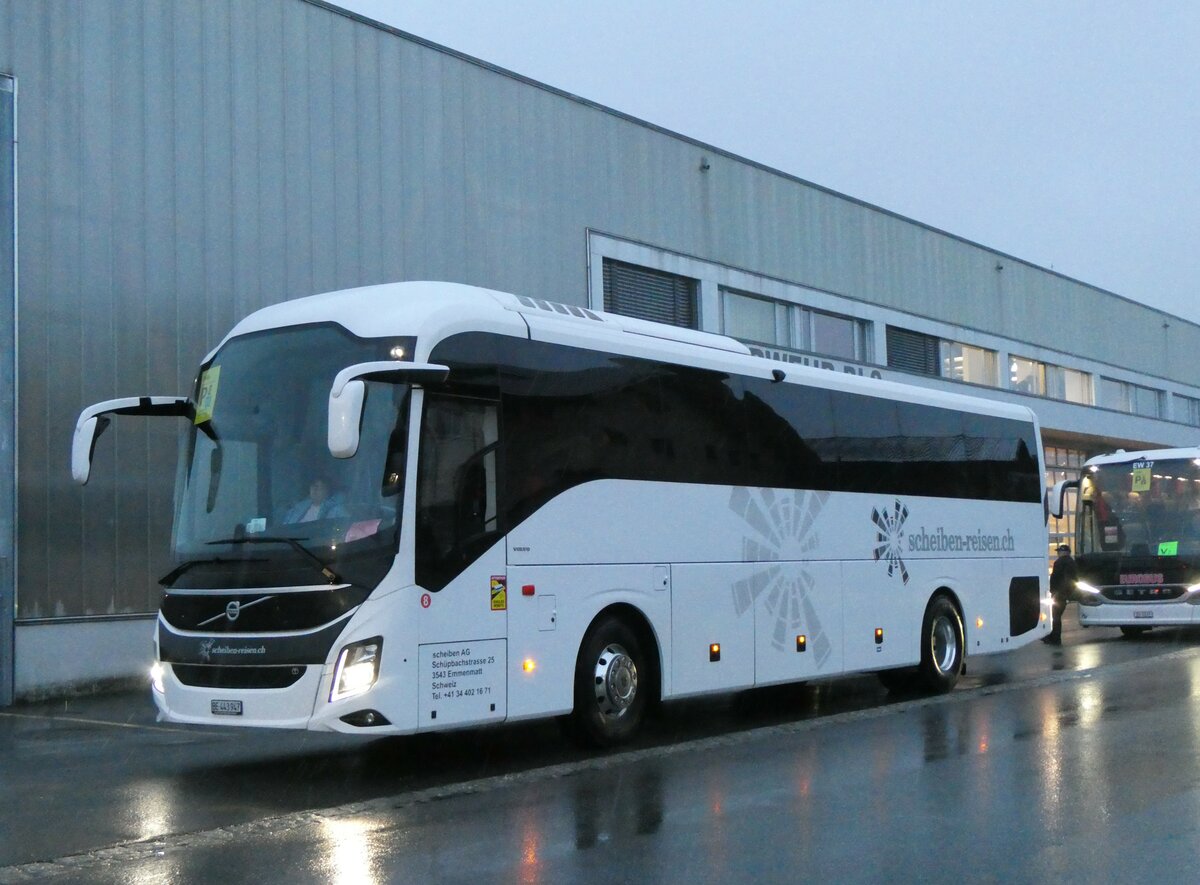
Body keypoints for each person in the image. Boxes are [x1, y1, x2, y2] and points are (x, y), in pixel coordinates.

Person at [1045, 543, 1078, 644]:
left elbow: (1056, 578)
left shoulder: (1059, 562)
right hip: (1066, 592)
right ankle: (1052, 636)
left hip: (1059, 593)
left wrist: (1055, 592)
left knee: (1055, 615)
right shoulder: (1072, 562)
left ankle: (1055, 637)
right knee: (1056, 615)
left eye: (1060, 551)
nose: (1058, 553)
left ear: (1065, 552)